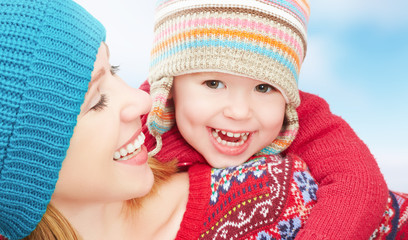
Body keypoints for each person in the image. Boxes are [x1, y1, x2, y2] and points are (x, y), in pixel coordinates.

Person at [143, 0, 400, 238]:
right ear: (168, 86)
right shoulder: (136, 119)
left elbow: (359, 186)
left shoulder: (305, 117)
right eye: (214, 83)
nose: (240, 111)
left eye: (264, 88)